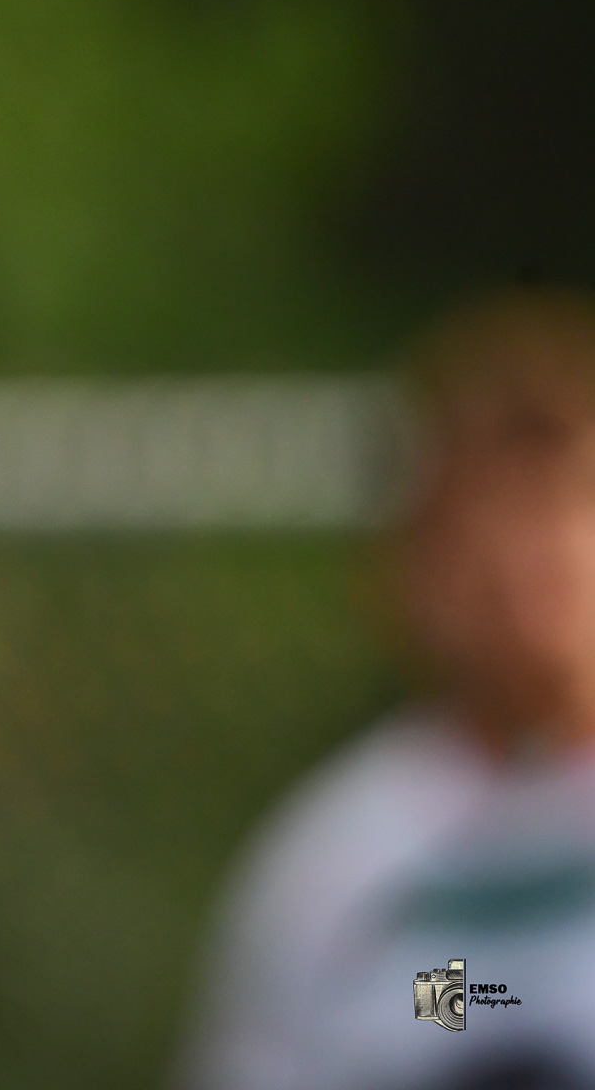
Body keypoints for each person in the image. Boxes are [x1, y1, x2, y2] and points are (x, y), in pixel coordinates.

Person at [180, 289, 595, 1090]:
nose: (525, 564)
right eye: (488, 525)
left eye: (558, 509)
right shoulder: (335, 865)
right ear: (414, 568)